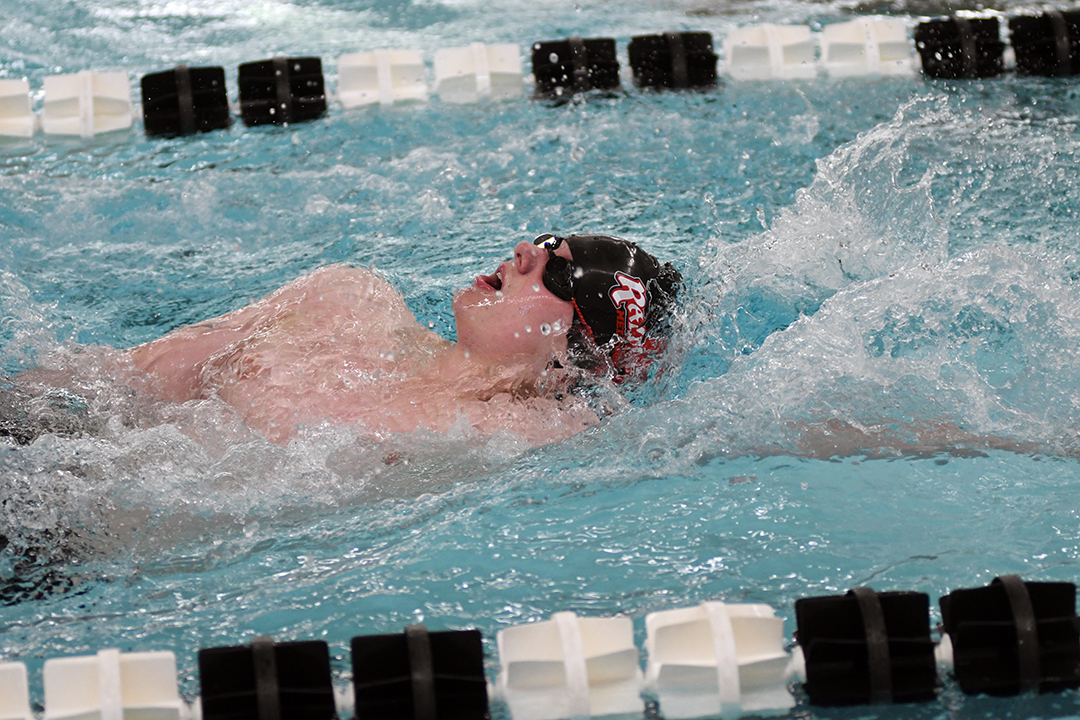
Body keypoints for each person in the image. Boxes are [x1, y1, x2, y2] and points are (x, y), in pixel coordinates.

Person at [128, 234, 682, 444]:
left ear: (568, 360)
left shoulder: (520, 432)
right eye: (545, 242)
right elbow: (116, 377)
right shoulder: (343, 301)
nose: (523, 251)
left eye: (559, 276)